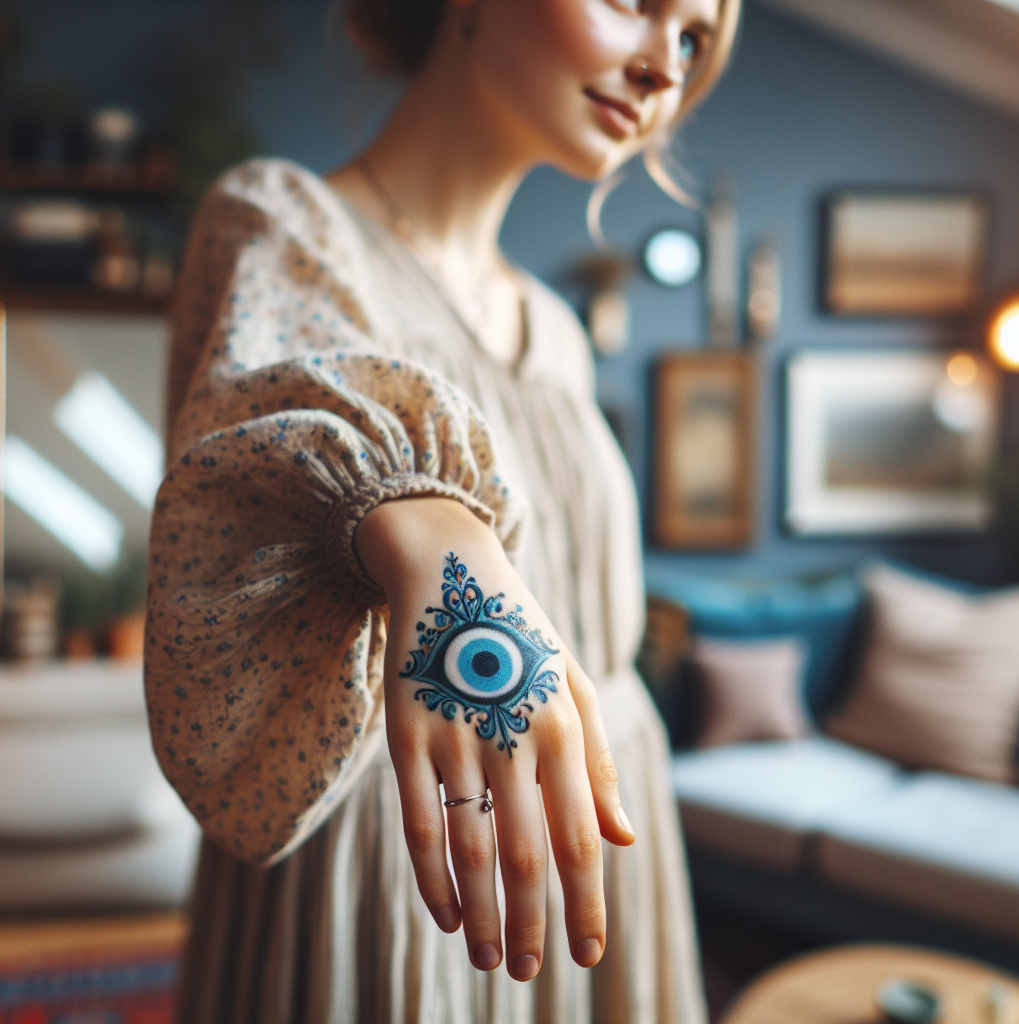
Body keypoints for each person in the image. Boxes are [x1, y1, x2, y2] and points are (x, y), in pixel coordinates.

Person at [145, 0, 741, 1019]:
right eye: (635, 6)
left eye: (692, 38)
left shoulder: (552, 328)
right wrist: (435, 532)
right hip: (403, 857)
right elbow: (273, 439)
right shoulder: (287, 224)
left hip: (598, 826)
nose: (662, 71)